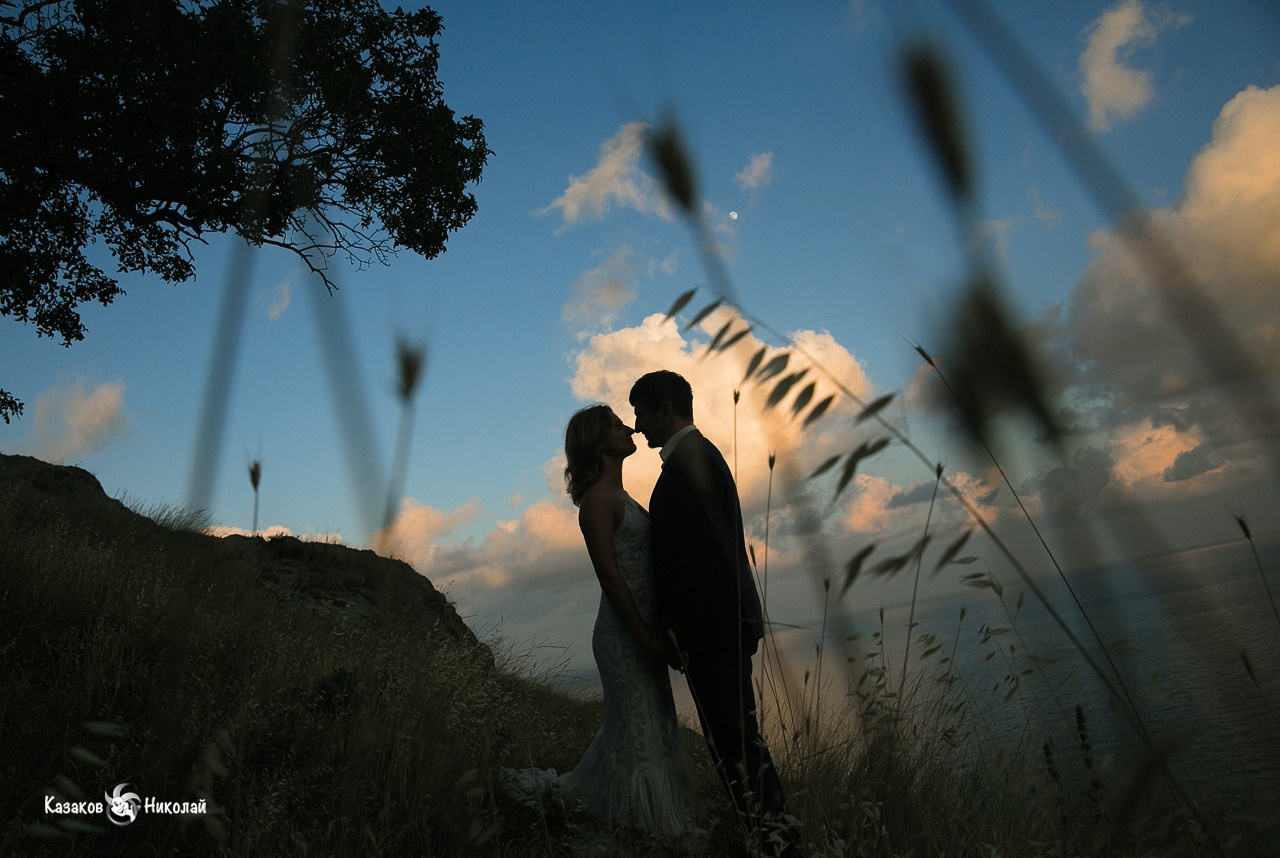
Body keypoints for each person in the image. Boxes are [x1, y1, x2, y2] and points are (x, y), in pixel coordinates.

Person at [502, 404, 695, 839]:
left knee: (647, 726)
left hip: (644, 634)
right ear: (597, 443)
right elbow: (609, 577)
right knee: (639, 727)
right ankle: (648, 826)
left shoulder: (623, 498)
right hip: (624, 638)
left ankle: (646, 817)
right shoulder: (596, 503)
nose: (628, 428)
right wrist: (646, 640)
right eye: (615, 425)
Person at [630, 370, 799, 857]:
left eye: (642, 413)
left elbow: (696, 563)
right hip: (722, 627)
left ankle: (780, 847)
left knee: (737, 751)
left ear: (665, 409)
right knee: (738, 746)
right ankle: (772, 839)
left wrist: (677, 638)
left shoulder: (689, 464)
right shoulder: (698, 457)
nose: (638, 426)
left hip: (712, 633)